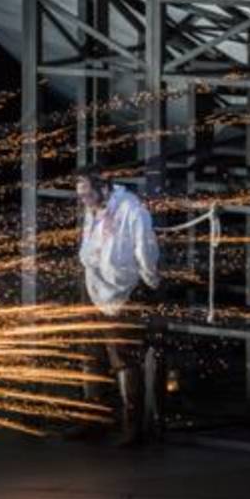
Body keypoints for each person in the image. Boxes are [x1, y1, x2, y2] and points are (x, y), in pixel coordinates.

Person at [75, 166, 162, 446]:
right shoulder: (93, 208)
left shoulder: (133, 210)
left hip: (124, 291)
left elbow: (145, 251)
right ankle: (95, 421)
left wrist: (151, 281)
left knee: (123, 357)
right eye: (81, 195)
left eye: (88, 194)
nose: (85, 201)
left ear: (105, 187)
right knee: (91, 353)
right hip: (94, 286)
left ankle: (132, 429)